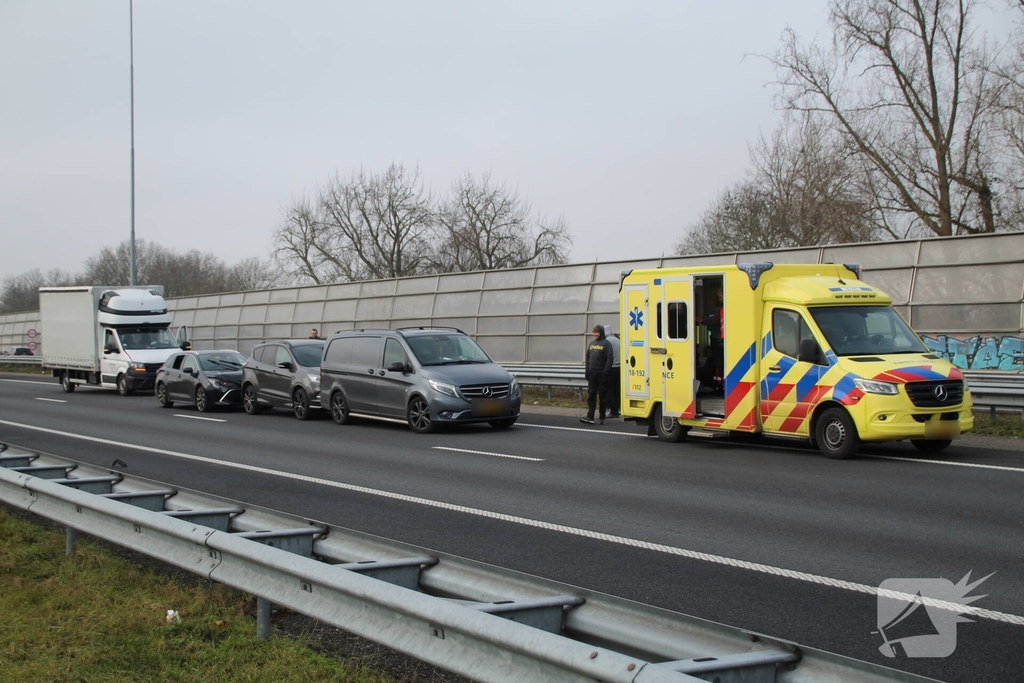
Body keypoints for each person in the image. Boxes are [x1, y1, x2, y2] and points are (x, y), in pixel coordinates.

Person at [580, 325, 613, 425]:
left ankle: (602, 416)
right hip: (592, 373)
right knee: (592, 395)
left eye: (596, 332)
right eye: (593, 332)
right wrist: (587, 371)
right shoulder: (592, 343)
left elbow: (609, 358)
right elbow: (587, 358)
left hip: (602, 374)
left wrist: (605, 371)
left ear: (601, 333)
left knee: (602, 396)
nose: (594, 334)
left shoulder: (607, 344)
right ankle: (590, 416)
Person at [603, 325, 621, 418]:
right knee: (617, 389)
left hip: (610, 368)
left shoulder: (606, 342)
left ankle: (613, 410)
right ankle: (619, 408)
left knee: (610, 390)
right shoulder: (618, 340)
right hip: (619, 368)